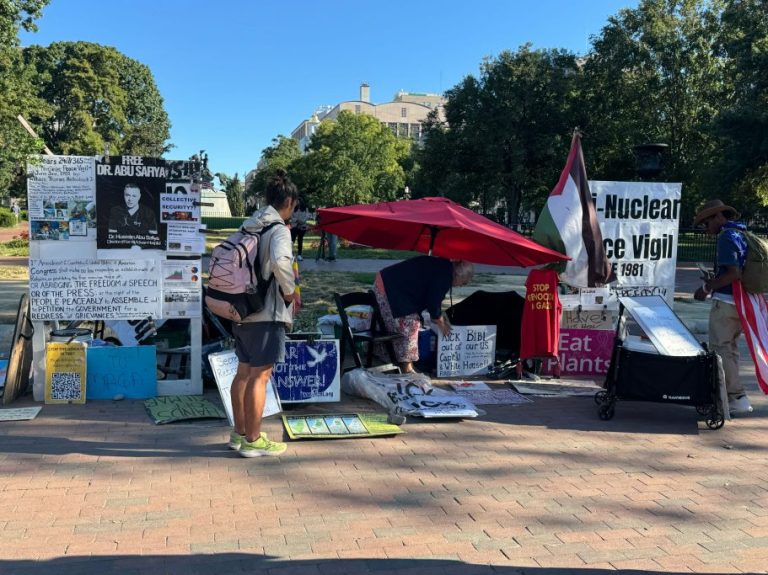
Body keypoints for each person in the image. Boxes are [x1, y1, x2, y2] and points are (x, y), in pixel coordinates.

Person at [229, 168, 299, 457]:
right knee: (261, 376)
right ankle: (255, 440)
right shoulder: (278, 229)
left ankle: (239, 434)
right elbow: (282, 262)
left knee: (243, 373)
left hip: (241, 310)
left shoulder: (249, 226)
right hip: (266, 312)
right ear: (289, 203)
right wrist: (290, 291)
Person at [693, 199, 753, 414]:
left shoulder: (726, 237)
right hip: (742, 302)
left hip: (727, 304)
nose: (704, 227)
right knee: (730, 349)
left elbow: (733, 273)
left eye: (706, 222)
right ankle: (736, 396)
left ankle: (734, 397)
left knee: (721, 349)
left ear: (719, 216)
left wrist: (707, 287)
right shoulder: (741, 234)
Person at [372, 255, 474, 373]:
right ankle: (407, 367)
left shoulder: (444, 268)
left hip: (386, 283)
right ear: (458, 274)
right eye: (465, 282)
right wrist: (440, 322)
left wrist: (439, 317)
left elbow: (433, 297)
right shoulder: (445, 274)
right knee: (410, 324)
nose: (462, 285)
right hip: (389, 288)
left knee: (404, 322)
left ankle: (391, 358)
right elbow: (433, 302)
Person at [289, 196, 310, 261]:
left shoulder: (305, 209)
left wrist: (301, 220)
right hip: (294, 226)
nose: (296, 203)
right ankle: (290, 254)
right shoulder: (293, 208)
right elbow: (291, 216)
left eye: (297, 201)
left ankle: (299, 255)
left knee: (300, 240)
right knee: (292, 240)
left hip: (302, 226)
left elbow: (307, 216)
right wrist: (296, 220)